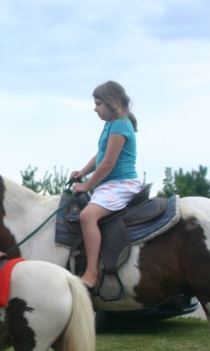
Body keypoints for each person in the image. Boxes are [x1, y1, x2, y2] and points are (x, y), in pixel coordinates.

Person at [70, 81, 142, 289]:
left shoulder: (120, 123)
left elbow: (109, 163)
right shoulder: (111, 124)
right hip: (112, 183)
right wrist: (83, 172)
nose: (95, 108)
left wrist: (86, 185)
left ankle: (91, 272)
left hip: (122, 183)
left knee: (87, 216)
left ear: (112, 103)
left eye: (99, 103)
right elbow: (101, 154)